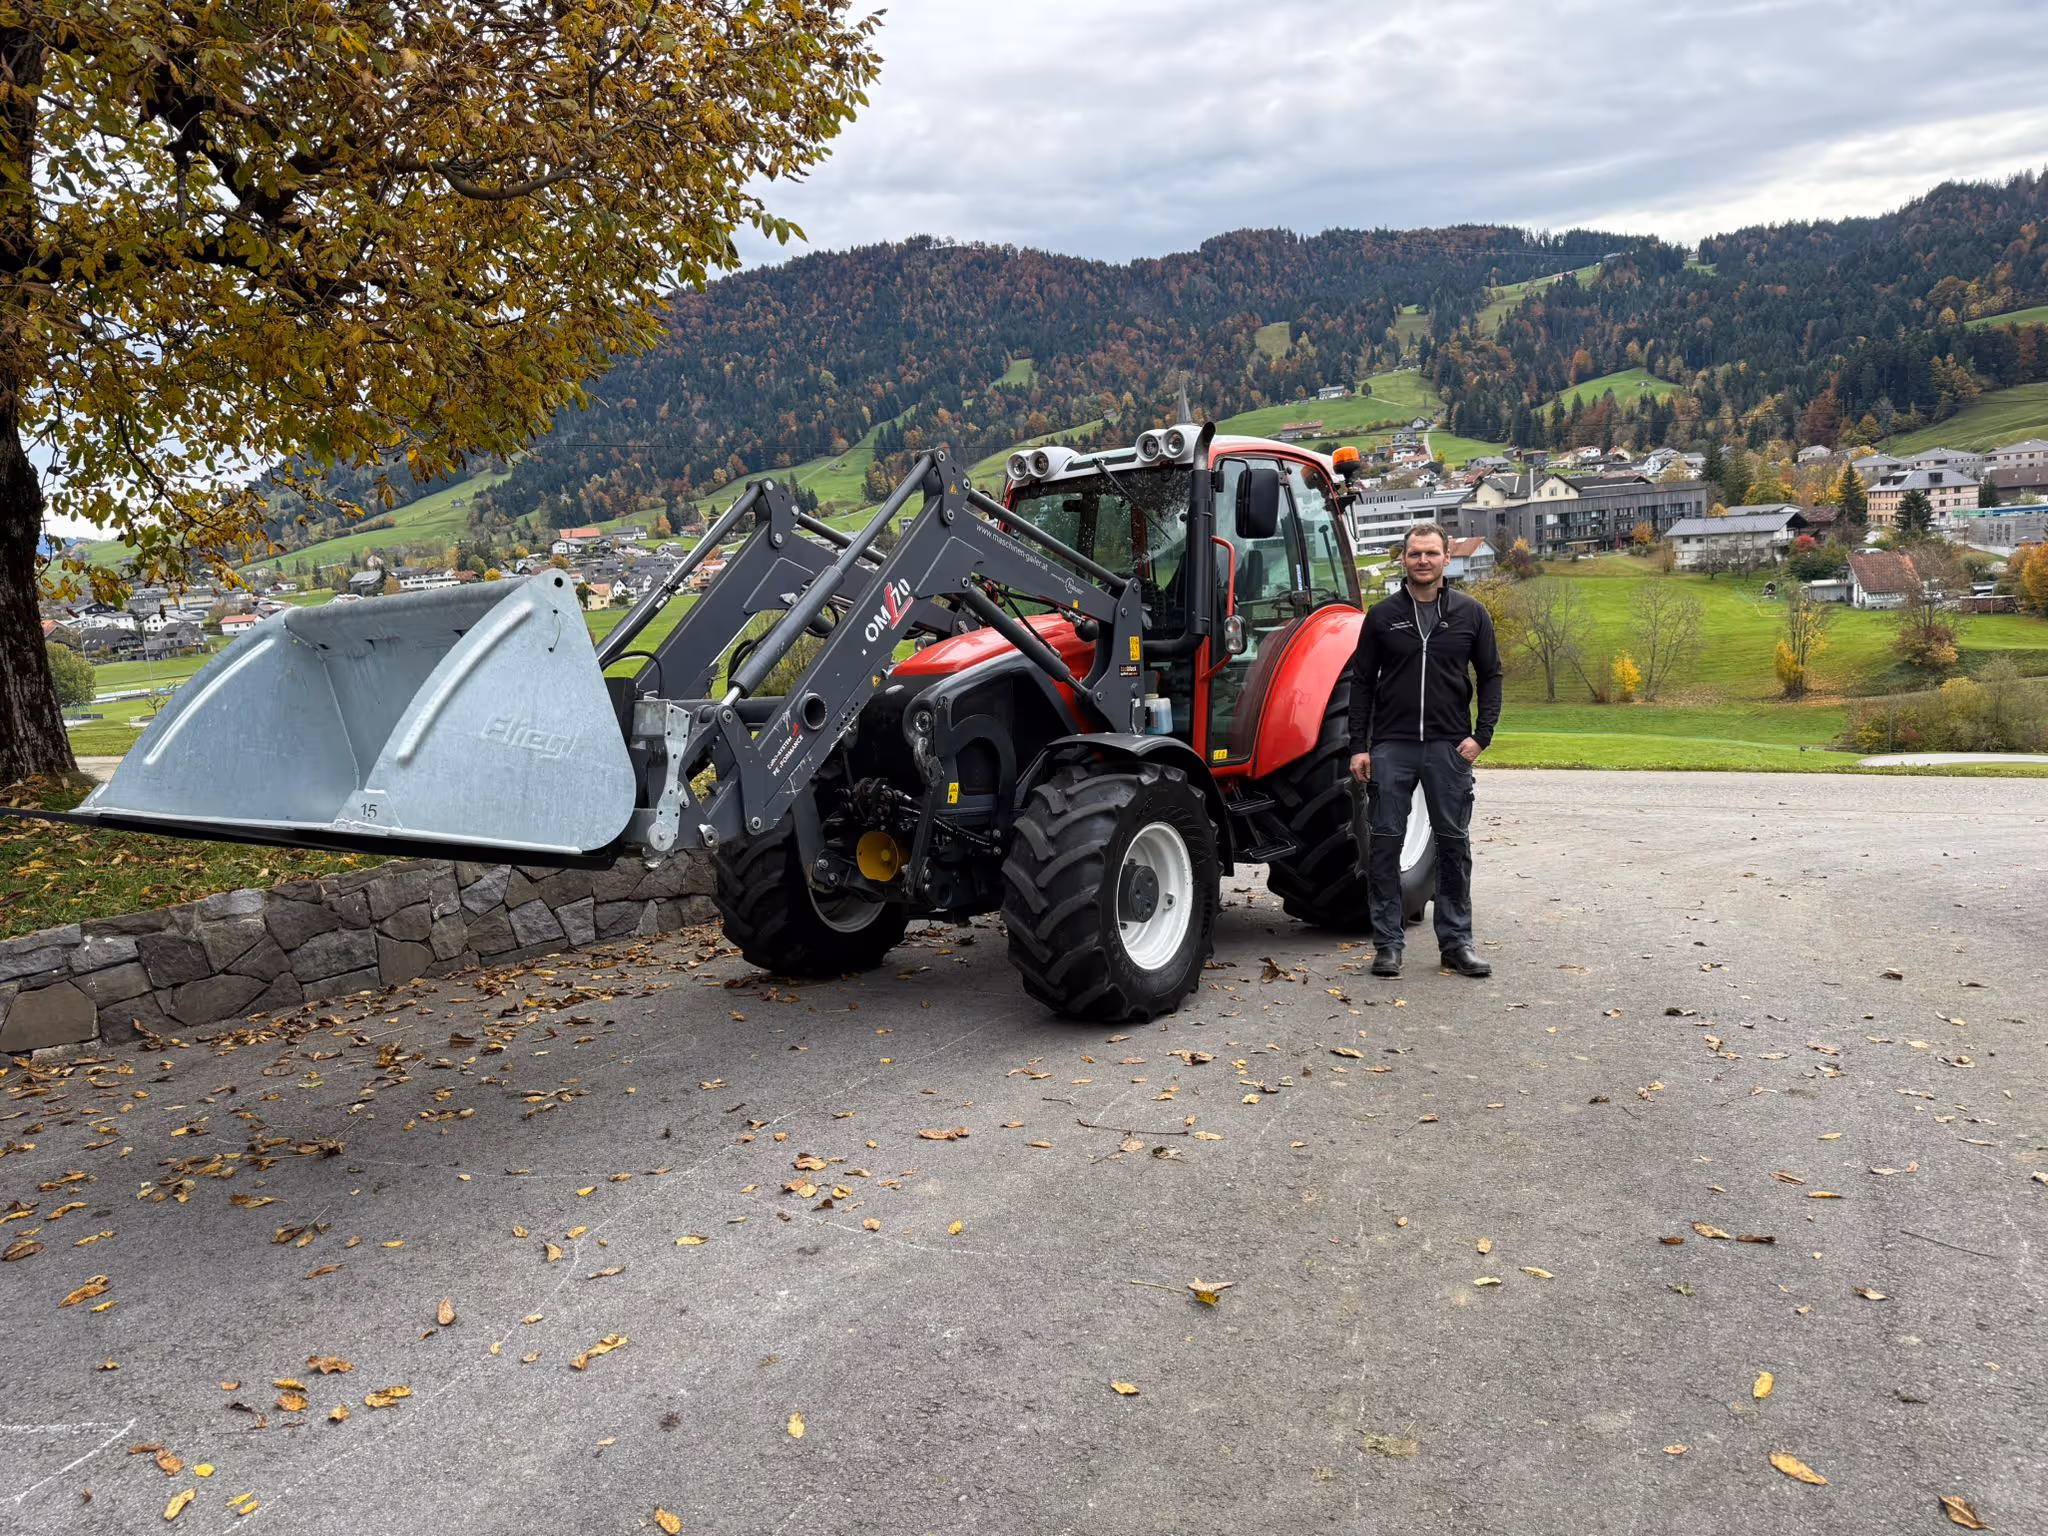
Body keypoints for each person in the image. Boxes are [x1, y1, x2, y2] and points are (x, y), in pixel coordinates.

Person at [1346, 523, 1503, 979]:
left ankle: (1456, 942)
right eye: (1415, 554)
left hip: (1448, 747)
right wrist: (1360, 745)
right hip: (1392, 747)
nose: (1423, 561)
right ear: (1403, 559)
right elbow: (1361, 684)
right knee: (1385, 845)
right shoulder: (1382, 615)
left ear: (1446, 558)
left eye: (1431, 553)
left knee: (1454, 846)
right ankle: (1388, 945)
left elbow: (1491, 675)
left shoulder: (1471, 613)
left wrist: (1482, 736)